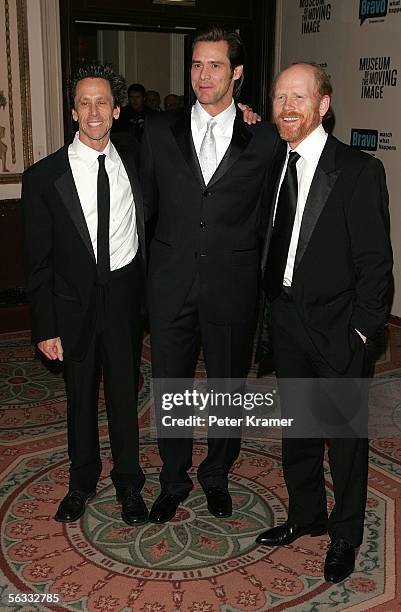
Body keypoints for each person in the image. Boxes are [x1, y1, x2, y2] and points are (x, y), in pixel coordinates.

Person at [255, 63, 392, 583]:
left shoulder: (358, 170)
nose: (287, 108)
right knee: (299, 430)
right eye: (279, 98)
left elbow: (377, 263)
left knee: (346, 441)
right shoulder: (275, 163)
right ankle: (306, 514)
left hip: (339, 328)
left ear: (323, 104)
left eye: (298, 98)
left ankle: (346, 534)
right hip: (285, 320)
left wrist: (362, 330)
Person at [141, 25, 280, 524]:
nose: (203, 75)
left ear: (236, 74)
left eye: (215, 65)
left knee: (227, 386)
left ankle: (216, 474)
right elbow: (141, 209)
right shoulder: (157, 130)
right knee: (171, 387)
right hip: (170, 284)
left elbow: (272, 215)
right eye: (197, 64)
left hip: (233, 285)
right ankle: (173, 478)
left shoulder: (264, 139)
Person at [21, 64, 148, 527]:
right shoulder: (42, 177)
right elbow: (36, 262)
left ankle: (129, 484)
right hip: (72, 307)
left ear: (116, 110)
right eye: (84, 103)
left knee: (123, 396)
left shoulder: (135, 157)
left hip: (123, 301)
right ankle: (82, 482)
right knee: (79, 399)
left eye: (102, 102)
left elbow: (191, 134)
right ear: (74, 112)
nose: (94, 111)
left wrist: (245, 115)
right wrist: (45, 326)